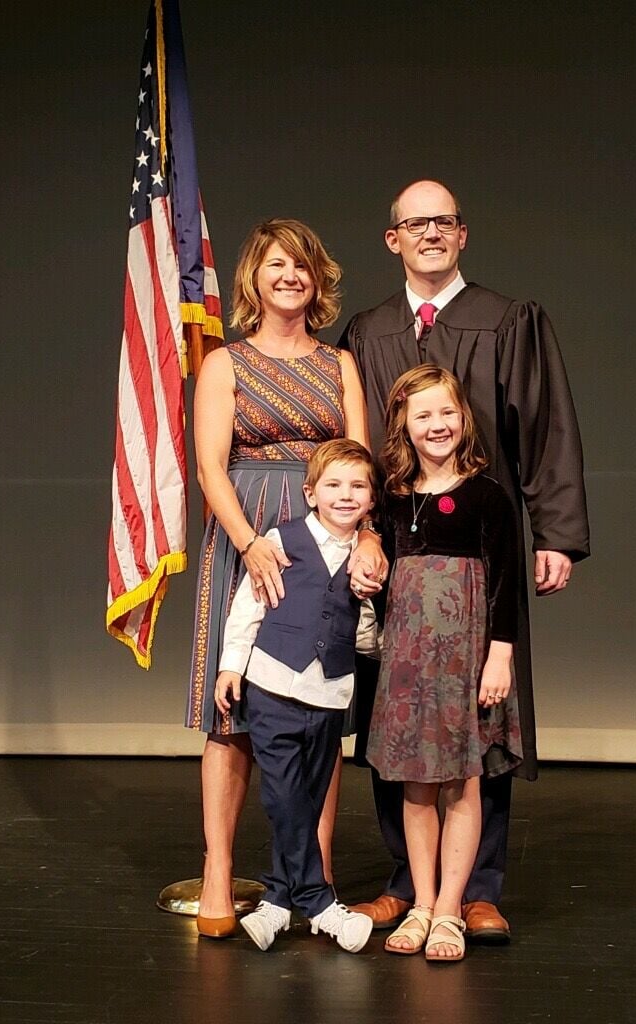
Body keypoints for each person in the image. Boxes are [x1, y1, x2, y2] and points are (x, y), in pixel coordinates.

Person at [339, 179, 590, 942]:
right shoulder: (368, 331)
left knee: (481, 714)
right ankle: (407, 883)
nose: (430, 234)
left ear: (462, 234)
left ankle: (476, 888)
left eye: (443, 222)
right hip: (391, 553)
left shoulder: (505, 320)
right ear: (394, 239)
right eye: (416, 224)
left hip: (479, 559)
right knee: (395, 717)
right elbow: (352, 441)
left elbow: (544, 429)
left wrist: (554, 531)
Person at [186, 219, 386, 938]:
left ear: (317, 279)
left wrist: (365, 535)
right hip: (247, 531)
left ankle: (315, 875)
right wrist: (249, 544)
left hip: (327, 532)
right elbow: (210, 464)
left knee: (316, 713)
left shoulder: (340, 365)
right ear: (254, 279)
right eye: (276, 265)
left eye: (301, 266)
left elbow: (359, 457)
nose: (290, 276)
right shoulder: (225, 364)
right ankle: (218, 872)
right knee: (234, 711)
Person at [367, 365, 520, 962]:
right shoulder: (392, 496)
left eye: (446, 413)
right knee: (415, 786)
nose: (437, 425)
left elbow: (506, 584)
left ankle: (452, 908)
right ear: (404, 423)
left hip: (463, 658)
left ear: (464, 418)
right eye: (423, 415)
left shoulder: (487, 496)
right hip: (407, 662)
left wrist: (499, 657)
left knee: (461, 782)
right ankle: (424, 901)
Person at [214, 439, 379, 953]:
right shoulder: (282, 540)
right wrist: (229, 666)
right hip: (273, 685)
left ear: (372, 500)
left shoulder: (367, 557)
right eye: (333, 485)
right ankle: (320, 901)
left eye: (357, 486)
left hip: (329, 692)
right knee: (282, 793)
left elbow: (366, 630)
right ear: (310, 493)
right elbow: (248, 605)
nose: (345, 496)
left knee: (306, 797)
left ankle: (279, 901)